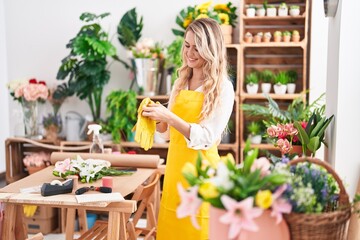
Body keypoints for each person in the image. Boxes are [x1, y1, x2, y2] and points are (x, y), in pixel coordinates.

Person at [141, 18, 235, 239]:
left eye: (197, 47)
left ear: (211, 49)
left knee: (199, 230)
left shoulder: (223, 88)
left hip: (202, 176)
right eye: (187, 45)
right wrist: (156, 117)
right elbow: (167, 134)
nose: (190, 53)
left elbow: (207, 138)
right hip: (175, 172)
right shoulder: (180, 82)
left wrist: (169, 117)